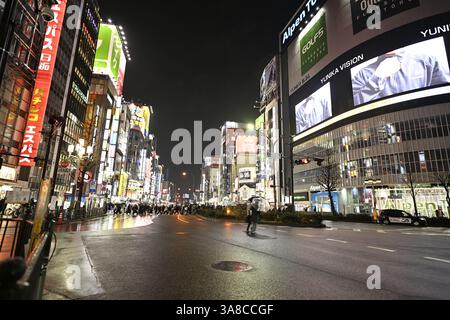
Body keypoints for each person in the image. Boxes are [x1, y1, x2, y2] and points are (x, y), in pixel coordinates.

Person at [352, 46, 450, 106]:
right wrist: (377, 78)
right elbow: (353, 105)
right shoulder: (363, 73)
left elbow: (444, 98)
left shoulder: (428, 62)